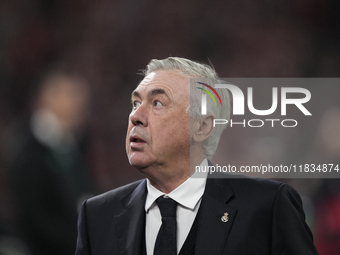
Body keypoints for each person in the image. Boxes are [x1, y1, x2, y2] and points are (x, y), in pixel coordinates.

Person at [75, 57, 318, 255]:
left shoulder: (267, 207)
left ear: (202, 126)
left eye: (157, 103)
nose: (135, 116)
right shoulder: (97, 216)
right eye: (135, 102)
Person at [4, 69, 94, 255]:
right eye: (72, 95)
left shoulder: (74, 144)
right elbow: (34, 217)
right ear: (49, 98)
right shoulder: (28, 150)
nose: (80, 103)